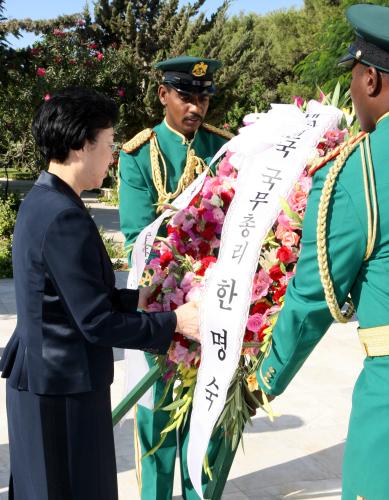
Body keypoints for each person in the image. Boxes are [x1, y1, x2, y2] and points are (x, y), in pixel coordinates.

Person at [0, 87, 200, 500]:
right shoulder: (64, 217)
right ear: (81, 144)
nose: (112, 157)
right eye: (108, 145)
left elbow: (64, 296)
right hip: (61, 387)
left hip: (45, 375)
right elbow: (94, 323)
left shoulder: (44, 199)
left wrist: (135, 299)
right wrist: (175, 322)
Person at [255, 4, 389, 499]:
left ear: (371, 79)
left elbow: (313, 298)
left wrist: (262, 379)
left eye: (353, 76)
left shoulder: (361, 171)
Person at [119, 56, 233, 499]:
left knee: (212, 414)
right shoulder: (139, 154)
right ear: (163, 94)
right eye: (186, 96)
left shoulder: (223, 148)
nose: (196, 107)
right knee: (159, 420)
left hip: (220, 303)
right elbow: (136, 239)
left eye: (203, 98)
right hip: (164, 304)